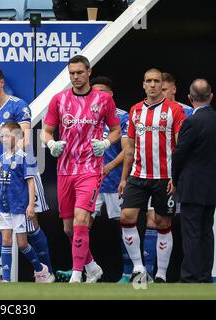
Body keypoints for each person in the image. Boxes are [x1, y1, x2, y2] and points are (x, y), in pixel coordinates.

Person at [41, 55, 121, 283]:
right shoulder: (59, 99)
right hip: (65, 170)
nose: (75, 77)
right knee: (69, 228)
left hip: (90, 169)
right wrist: (51, 143)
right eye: (72, 73)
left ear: (88, 71)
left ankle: (77, 275)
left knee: (81, 220)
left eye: (79, 72)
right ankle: (92, 265)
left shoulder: (103, 99)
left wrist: (106, 143)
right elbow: (46, 131)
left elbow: (116, 130)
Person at [54, 76, 130, 283]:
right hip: (86, 176)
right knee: (76, 226)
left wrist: (109, 166)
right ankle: (86, 265)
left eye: (102, 92)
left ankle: (128, 271)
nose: (97, 96)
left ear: (111, 94)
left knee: (124, 225)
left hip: (113, 180)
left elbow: (127, 149)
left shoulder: (122, 116)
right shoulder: (82, 113)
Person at [0, 66, 52, 282]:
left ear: (1, 83)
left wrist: (5, 163)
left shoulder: (19, 105)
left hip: (20, 171)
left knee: (31, 227)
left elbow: (25, 140)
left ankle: (46, 271)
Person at [118, 68, 186, 283]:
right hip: (138, 175)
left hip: (165, 177)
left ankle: (161, 274)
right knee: (126, 217)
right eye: (149, 81)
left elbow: (181, 146)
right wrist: (123, 178)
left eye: (157, 81)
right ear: (144, 84)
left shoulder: (175, 110)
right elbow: (129, 148)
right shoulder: (135, 110)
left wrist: (177, 176)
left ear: (161, 84)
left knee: (162, 223)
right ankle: (139, 268)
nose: (153, 84)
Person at [0, 122, 54, 282]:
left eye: (7, 136)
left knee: (22, 244)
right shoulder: (3, 158)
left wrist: (30, 205)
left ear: (16, 136)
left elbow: (30, 183)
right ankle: (6, 279)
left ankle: (40, 269)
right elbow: (6, 180)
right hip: (5, 206)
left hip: (19, 206)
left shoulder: (25, 157)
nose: (3, 139)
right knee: (6, 240)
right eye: (2, 136)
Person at [172, 79, 216, 283]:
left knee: (191, 232)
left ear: (189, 98)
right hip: (212, 187)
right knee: (206, 232)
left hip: (192, 186)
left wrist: (175, 178)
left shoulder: (191, 122)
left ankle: (190, 276)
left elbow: (179, 154)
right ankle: (205, 275)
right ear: (211, 97)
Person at [52, 0, 127, 21]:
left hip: (105, 27)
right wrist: (69, 24)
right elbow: (58, 4)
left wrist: (113, 24)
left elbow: (119, 5)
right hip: (76, 25)